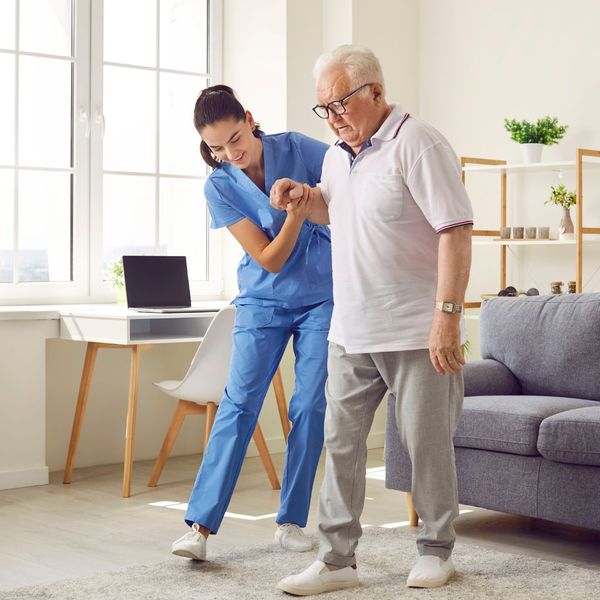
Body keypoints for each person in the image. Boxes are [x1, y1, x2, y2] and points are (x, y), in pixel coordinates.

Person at [271, 45, 473, 594]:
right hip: (351, 329)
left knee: (425, 443)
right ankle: (337, 561)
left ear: (376, 93)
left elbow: (454, 230)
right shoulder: (337, 156)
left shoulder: (419, 143)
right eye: (324, 108)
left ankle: (437, 549)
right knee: (340, 444)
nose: (333, 117)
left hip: (415, 328)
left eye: (340, 103)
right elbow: (340, 212)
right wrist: (304, 198)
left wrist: (447, 318)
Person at [171, 85, 332, 561]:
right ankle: (199, 528)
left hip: (323, 298)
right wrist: (297, 217)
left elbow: (352, 174)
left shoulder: (300, 148)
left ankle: (291, 521)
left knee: (308, 407)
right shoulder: (220, 185)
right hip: (262, 301)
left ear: (249, 118)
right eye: (217, 148)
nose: (231, 153)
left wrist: (311, 199)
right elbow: (268, 258)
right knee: (239, 405)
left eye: (236, 138)